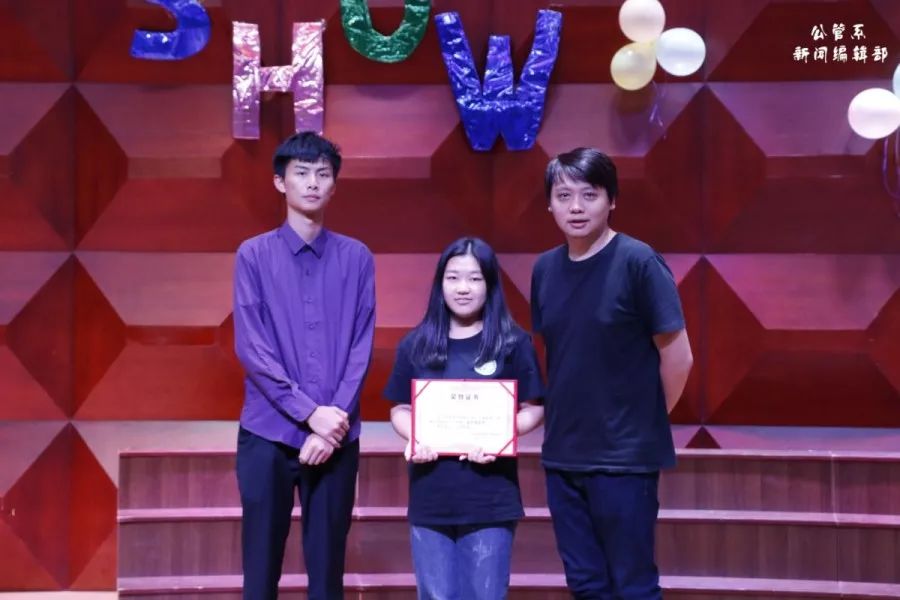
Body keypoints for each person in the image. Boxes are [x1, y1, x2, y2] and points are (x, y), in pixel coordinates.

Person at [531, 148, 694, 599]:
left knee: (632, 585)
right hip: (563, 455)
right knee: (585, 585)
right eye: (564, 195)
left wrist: (645, 420)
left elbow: (678, 357)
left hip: (624, 459)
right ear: (550, 204)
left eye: (590, 194)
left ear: (612, 200)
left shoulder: (639, 262)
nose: (576, 207)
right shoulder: (544, 269)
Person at [232, 131, 376, 600]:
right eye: (301, 173)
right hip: (268, 434)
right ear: (280, 182)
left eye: (323, 174)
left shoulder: (357, 257)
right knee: (260, 572)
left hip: (337, 435)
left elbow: (361, 347)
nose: (313, 182)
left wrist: (331, 425)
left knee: (328, 573)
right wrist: (309, 413)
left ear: (334, 185)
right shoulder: (253, 255)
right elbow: (252, 348)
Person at [384, 237, 544, 600]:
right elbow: (400, 409)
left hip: (490, 497)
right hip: (431, 495)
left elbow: (535, 408)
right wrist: (416, 437)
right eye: (453, 277)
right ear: (440, 283)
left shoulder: (513, 343)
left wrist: (500, 435)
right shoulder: (416, 344)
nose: (463, 288)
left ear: (490, 284)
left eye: (474, 278)